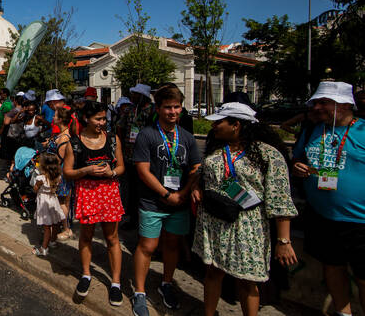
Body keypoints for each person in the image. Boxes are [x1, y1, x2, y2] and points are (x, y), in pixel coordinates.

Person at [194, 102, 298, 316]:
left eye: (219, 122)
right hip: (214, 222)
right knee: (212, 272)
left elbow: (280, 199)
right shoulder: (217, 149)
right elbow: (205, 174)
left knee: (247, 282)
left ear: (236, 124)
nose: (214, 126)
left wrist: (284, 240)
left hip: (247, 227)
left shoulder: (268, 155)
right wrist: (197, 186)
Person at [291, 81, 365, 316]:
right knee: (332, 267)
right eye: (316, 102)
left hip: (359, 221)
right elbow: (298, 159)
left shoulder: (362, 131)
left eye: (324, 102)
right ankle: (344, 314)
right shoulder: (314, 130)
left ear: (344, 104)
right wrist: (298, 167)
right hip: (322, 216)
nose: (317, 107)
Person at [131, 85, 201, 316]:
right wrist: (166, 194)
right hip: (152, 202)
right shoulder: (147, 134)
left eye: (177, 107)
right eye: (168, 107)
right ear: (158, 108)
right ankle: (139, 292)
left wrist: (184, 192)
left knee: (172, 244)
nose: (172, 111)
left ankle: (167, 284)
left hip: (178, 203)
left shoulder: (187, 138)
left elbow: (196, 168)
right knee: (148, 246)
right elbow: (142, 170)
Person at [61, 100, 126, 307]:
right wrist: (86, 171)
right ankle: (87, 274)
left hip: (109, 191)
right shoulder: (75, 143)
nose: (102, 122)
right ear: (86, 119)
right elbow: (68, 172)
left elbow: (122, 167)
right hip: (87, 192)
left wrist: (112, 172)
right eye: (98, 118)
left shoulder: (114, 140)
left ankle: (116, 282)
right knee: (86, 235)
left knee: (112, 237)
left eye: (104, 118)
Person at [117, 83, 155, 227]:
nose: (132, 96)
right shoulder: (129, 110)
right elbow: (120, 127)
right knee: (130, 188)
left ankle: (142, 218)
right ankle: (131, 217)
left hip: (145, 157)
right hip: (128, 155)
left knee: (143, 187)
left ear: (142, 96)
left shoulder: (152, 111)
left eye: (135, 94)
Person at [32, 152, 67, 256]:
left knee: (47, 227)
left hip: (44, 202)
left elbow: (35, 189)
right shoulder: (58, 177)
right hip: (53, 200)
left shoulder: (41, 178)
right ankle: (53, 241)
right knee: (55, 223)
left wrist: (35, 186)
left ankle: (44, 248)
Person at [50, 107, 74, 240]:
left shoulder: (64, 137)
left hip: (61, 174)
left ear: (60, 120)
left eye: (55, 116)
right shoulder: (62, 134)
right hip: (59, 173)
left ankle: (66, 229)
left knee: (62, 202)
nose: (53, 118)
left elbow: (59, 159)